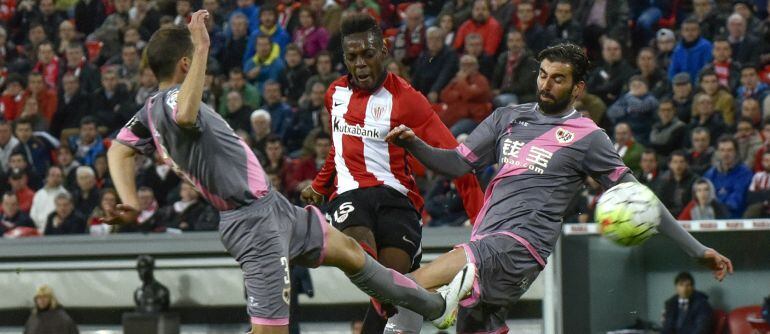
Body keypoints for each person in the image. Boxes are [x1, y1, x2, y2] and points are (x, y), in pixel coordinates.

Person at [106, 13, 475, 333]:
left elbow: (120, 150)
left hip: (277, 209)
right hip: (254, 223)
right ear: (186, 64)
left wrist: (128, 201)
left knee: (351, 255)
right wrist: (202, 46)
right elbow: (186, 114)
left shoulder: (147, 112)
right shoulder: (174, 101)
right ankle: (430, 297)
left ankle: (436, 307)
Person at [384, 43, 733, 333]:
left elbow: (643, 199)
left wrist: (696, 249)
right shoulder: (508, 118)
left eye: (558, 79)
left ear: (577, 87)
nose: (546, 85)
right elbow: (458, 164)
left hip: (518, 245)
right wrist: (414, 144)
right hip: (489, 242)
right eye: (542, 75)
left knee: (408, 285)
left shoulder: (588, 137)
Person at [300, 13, 484, 333]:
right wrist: (319, 185)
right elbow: (340, 144)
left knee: (390, 292)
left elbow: (457, 162)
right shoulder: (335, 94)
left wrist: (484, 228)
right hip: (351, 194)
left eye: (367, 55)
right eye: (351, 57)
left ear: (384, 50)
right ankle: (435, 305)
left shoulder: (408, 101)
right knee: (364, 261)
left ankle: (422, 302)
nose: (359, 64)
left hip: (399, 202)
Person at [703, 135, 754, 218]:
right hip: (712, 218)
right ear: (717, 152)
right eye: (722, 150)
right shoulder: (710, 174)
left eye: (729, 150)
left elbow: (736, 199)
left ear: (736, 152)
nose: (725, 154)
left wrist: (717, 209)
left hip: (735, 220)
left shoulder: (745, 173)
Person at [668, 18, 713, 85]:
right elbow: (673, 71)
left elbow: (706, 70)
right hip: (681, 86)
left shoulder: (706, 47)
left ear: (698, 31)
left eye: (693, 30)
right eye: (686, 30)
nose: (690, 33)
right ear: (682, 32)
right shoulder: (678, 49)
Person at [655, 151, 697, 217]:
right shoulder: (664, 182)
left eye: (681, 162)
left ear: (686, 164)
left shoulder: (694, 180)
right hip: (668, 217)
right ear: (670, 164)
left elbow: (693, 204)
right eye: (675, 162)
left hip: (688, 218)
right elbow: (660, 203)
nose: (678, 165)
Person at [29, 166, 69, 231]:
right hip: (38, 229)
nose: (55, 178)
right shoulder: (39, 194)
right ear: (47, 177)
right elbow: (33, 215)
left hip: (56, 229)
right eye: (52, 175)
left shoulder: (65, 195)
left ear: (62, 178)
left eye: (58, 176)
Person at [744, 151, 770, 218]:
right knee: (751, 209)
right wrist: (766, 199)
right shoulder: (757, 176)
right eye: (766, 160)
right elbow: (751, 196)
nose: (768, 163)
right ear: (762, 162)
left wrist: (761, 193)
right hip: (759, 207)